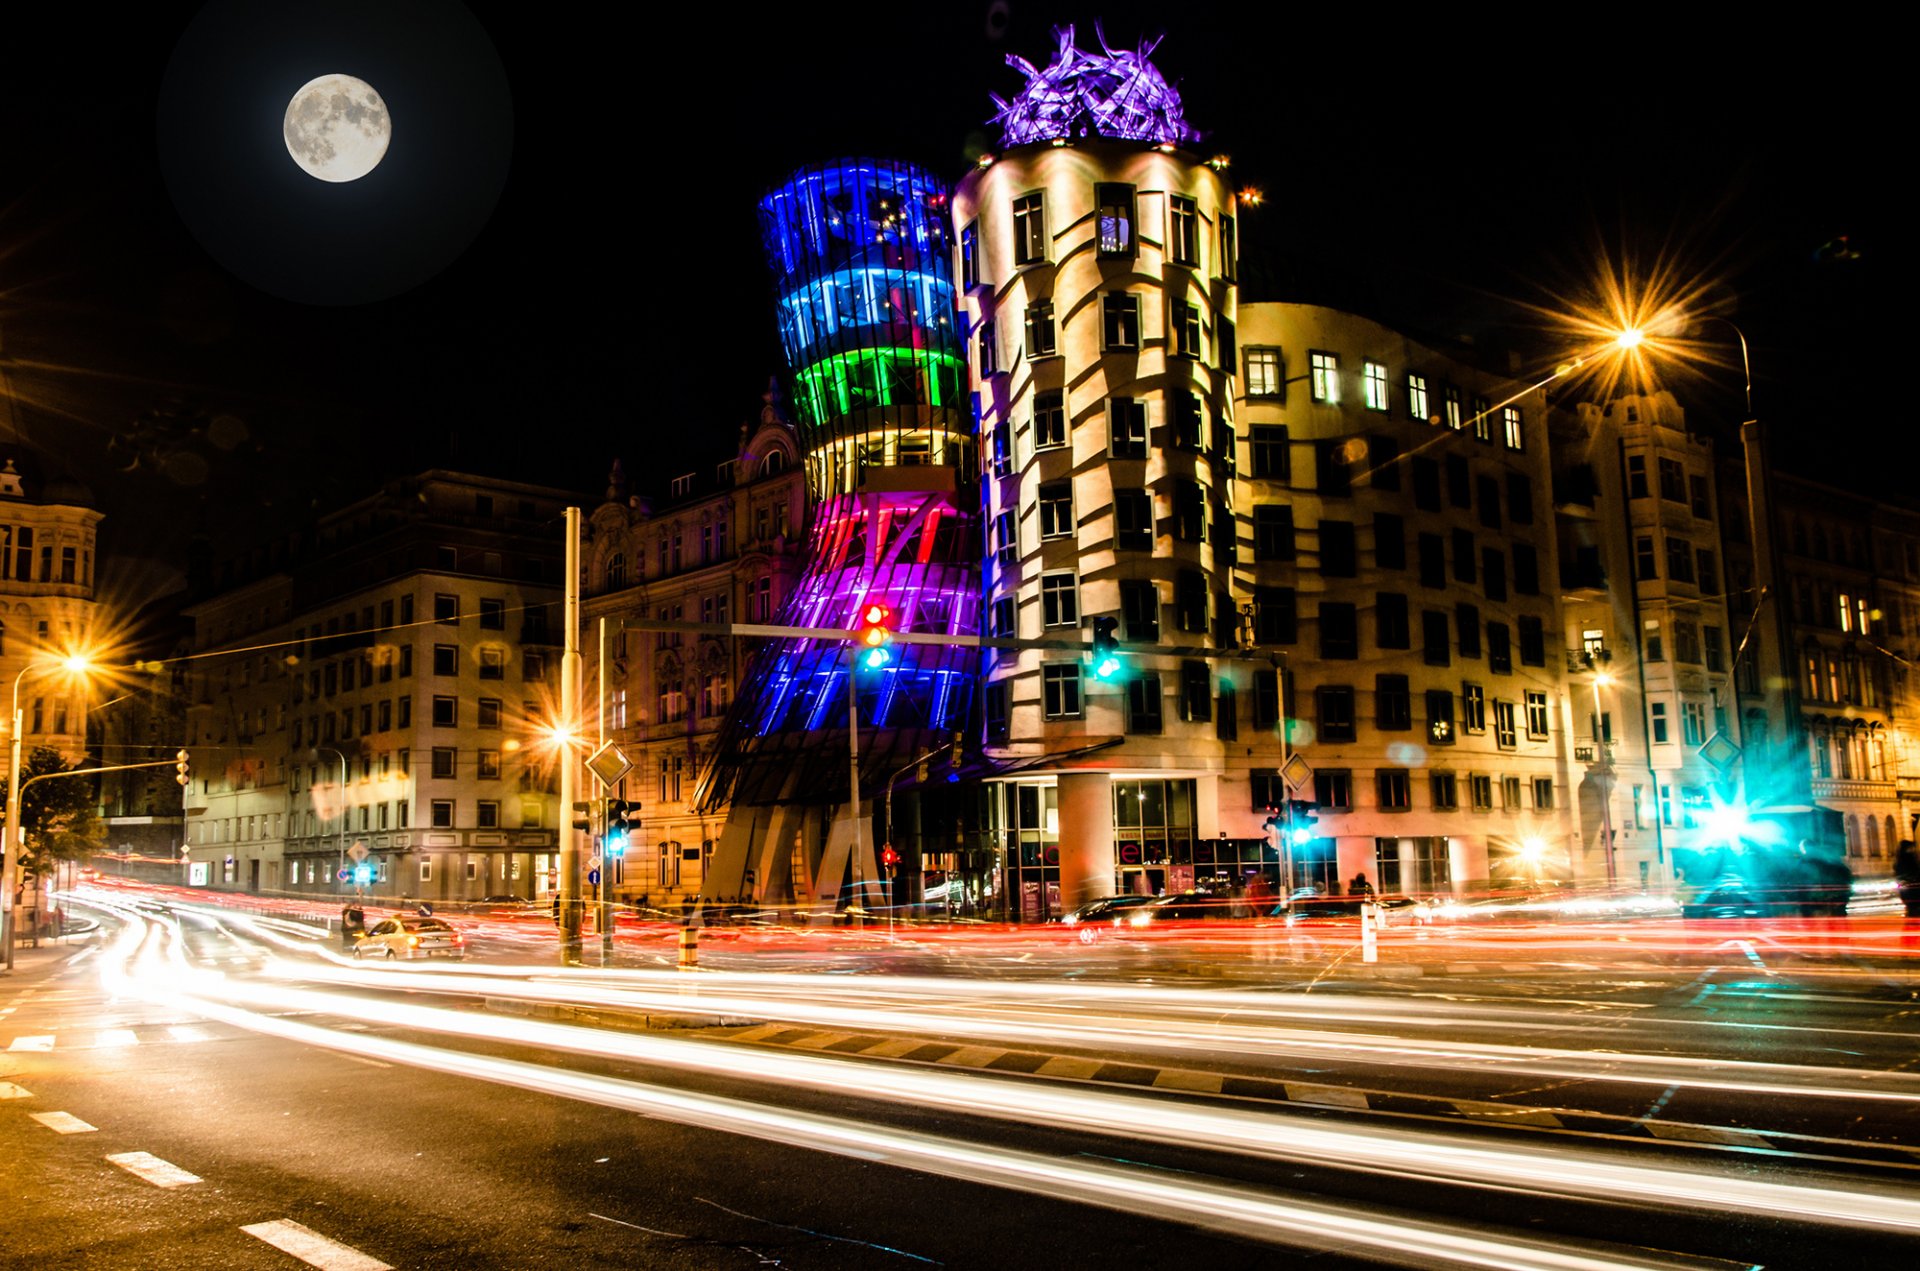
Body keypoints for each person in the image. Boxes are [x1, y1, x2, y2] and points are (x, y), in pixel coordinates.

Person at [1895, 840, 1920, 918]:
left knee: (1911, 909)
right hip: (1913, 888)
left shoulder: (1899, 858)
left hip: (1907, 889)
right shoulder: (1910, 857)